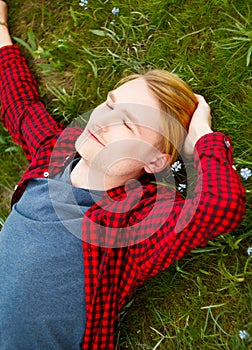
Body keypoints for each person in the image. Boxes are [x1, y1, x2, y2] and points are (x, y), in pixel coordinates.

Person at [0, 1, 246, 349]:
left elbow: (220, 206)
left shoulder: (131, 226)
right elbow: (19, 104)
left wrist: (203, 139)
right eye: (110, 104)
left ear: (156, 161)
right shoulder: (52, 153)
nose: (103, 119)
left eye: (128, 123)